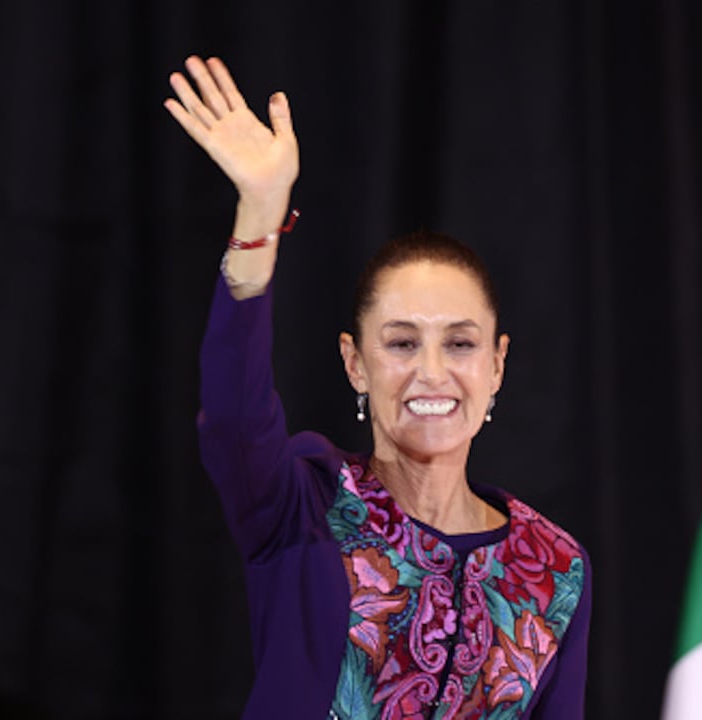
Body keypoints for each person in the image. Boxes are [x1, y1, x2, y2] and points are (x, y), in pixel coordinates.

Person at [165, 55, 592, 719]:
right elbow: (231, 416)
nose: (430, 372)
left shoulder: (556, 565)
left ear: (497, 367)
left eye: (460, 343)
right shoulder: (303, 507)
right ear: (355, 363)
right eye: (400, 343)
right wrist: (259, 217)